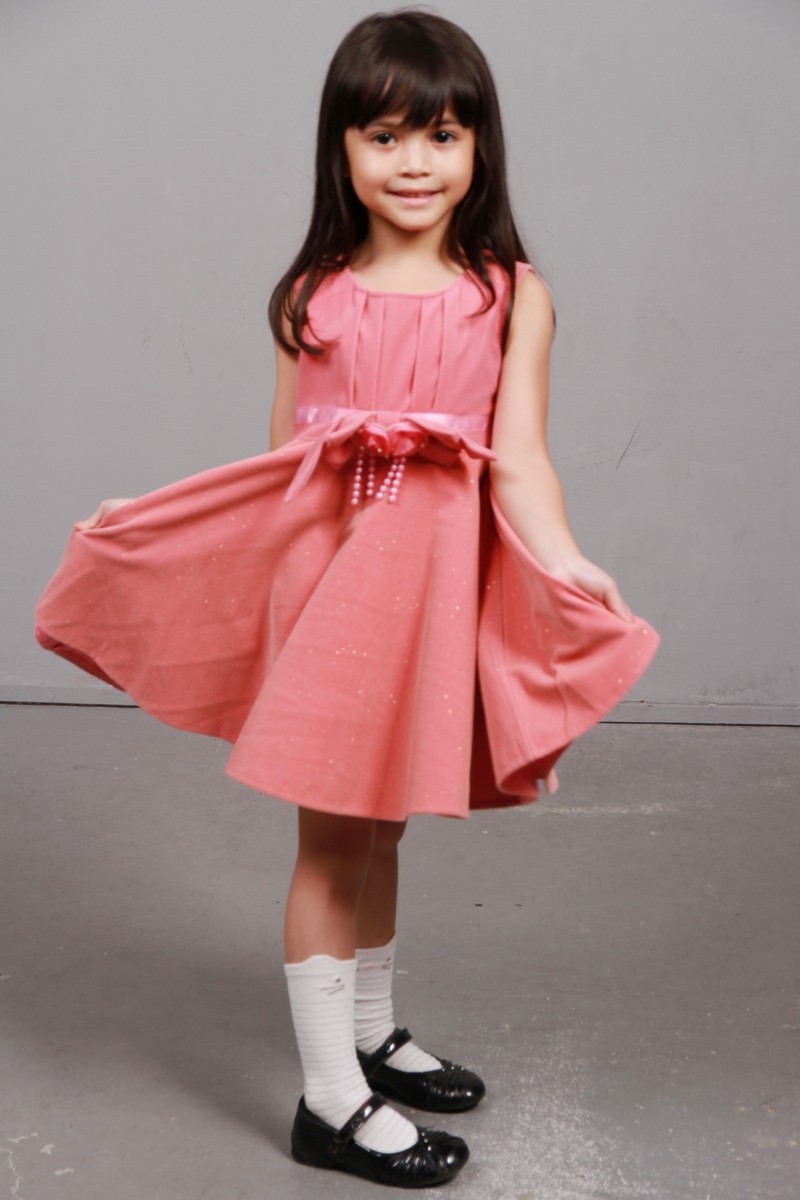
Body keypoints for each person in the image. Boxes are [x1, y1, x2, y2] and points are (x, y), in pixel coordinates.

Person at [34, 9, 659, 1189]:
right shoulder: (310, 297)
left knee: (383, 826)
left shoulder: (508, 295)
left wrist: (564, 558)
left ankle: (369, 1034)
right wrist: (169, 520)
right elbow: (283, 470)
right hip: (333, 607)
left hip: (428, 604)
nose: (413, 162)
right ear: (341, 149)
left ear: (478, 148)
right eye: (383, 136)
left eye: (440, 135)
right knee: (330, 840)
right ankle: (329, 1103)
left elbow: (519, 460)